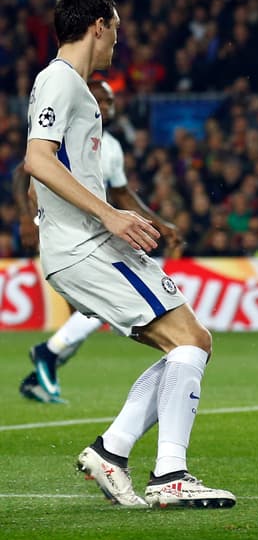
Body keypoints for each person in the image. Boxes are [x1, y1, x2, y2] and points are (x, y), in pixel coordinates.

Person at [25, 0, 234, 507]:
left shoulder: (64, 85)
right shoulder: (61, 80)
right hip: (88, 244)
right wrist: (108, 216)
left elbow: (41, 176)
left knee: (190, 342)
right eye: (115, 31)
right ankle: (170, 475)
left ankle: (112, 452)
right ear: (98, 25)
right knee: (190, 339)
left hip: (79, 242)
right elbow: (37, 160)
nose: (117, 43)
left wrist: (56, 217)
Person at [18, 78, 183, 404]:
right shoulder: (64, 137)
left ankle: (43, 366)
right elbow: (34, 177)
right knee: (102, 308)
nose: (106, 107)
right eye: (100, 101)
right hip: (70, 239)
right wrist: (33, 219)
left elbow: (121, 192)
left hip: (101, 236)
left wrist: (160, 224)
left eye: (109, 102)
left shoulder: (111, 147)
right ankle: (47, 354)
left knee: (96, 312)